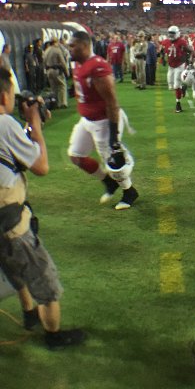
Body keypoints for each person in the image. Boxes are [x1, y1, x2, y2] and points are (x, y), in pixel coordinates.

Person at [0, 67, 85, 349]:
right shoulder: (5, 124)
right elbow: (41, 167)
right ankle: (54, 336)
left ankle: (29, 315)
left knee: (12, 268)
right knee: (43, 279)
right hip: (10, 220)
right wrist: (35, 124)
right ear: (4, 95)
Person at [67, 31, 138, 210]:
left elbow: (112, 103)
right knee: (76, 156)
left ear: (84, 46)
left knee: (114, 162)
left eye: (72, 45)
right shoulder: (78, 64)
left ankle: (129, 191)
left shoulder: (96, 67)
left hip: (104, 121)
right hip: (87, 120)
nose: (70, 49)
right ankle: (109, 182)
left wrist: (113, 137)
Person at [161, 25, 191, 113]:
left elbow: (190, 51)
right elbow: (163, 50)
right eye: (169, 33)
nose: (171, 35)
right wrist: (163, 58)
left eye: (172, 33)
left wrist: (188, 61)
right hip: (171, 66)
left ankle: (178, 104)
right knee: (170, 85)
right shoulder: (165, 42)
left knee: (176, 85)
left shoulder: (182, 42)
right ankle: (182, 88)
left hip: (180, 65)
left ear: (177, 33)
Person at [43, 38, 70, 108]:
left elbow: (44, 62)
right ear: (56, 42)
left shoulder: (46, 50)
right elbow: (63, 62)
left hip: (48, 70)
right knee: (62, 86)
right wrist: (67, 72)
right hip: (56, 70)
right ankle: (63, 103)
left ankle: (55, 103)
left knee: (53, 88)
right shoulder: (57, 50)